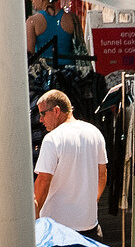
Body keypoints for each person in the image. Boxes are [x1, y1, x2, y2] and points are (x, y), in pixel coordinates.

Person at [33, 89, 107, 234]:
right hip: (89, 225)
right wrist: (91, 202)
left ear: (56, 110)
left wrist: (35, 220)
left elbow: (43, 181)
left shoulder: (52, 138)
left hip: (57, 229)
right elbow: (102, 174)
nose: (40, 120)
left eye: (42, 114)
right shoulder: (94, 132)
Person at [28, 0, 83, 66]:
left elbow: (29, 56)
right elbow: (80, 48)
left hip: (45, 73)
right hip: (70, 74)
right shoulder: (71, 18)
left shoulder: (32, 21)